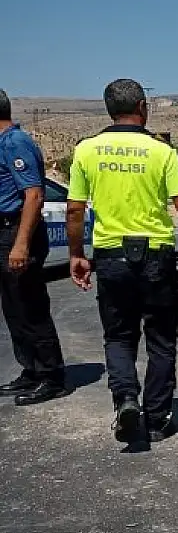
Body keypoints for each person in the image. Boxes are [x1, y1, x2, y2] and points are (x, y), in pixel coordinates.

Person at [66, 79, 178, 443]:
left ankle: (125, 401)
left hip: (110, 257)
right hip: (156, 258)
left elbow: (75, 209)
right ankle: (157, 417)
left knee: (119, 337)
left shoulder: (87, 151)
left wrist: (76, 254)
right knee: (161, 340)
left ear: (109, 109)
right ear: (142, 106)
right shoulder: (160, 151)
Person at [0, 89, 67, 405]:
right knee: (13, 307)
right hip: (4, 232)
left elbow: (34, 195)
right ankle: (31, 370)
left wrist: (21, 244)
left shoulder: (15, 143)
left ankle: (51, 375)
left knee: (30, 306)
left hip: (16, 231)